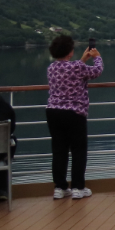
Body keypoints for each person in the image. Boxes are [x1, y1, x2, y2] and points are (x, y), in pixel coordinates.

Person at [46, 34, 103, 200]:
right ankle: (78, 187)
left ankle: (60, 187)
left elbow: (70, 71)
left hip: (53, 112)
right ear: (70, 52)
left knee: (59, 150)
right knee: (78, 150)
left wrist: (82, 60)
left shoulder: (51, 68)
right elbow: (97, 72)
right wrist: (97, 57)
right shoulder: (77, 67)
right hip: (74, 112)